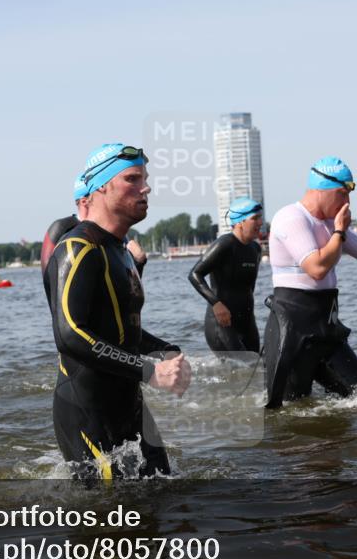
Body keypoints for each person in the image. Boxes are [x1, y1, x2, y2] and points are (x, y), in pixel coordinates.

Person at [46, 143, 191, 479]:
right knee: (109, 523)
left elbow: (119, 330)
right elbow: (70, 335)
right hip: (87, 409)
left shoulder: (120, 249)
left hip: (130, 404)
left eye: (145, 178)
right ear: (101, 188)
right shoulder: (77, 248)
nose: (146, 187)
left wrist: (167, 351)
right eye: (132, 179)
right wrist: (151, 372)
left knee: (161, 500)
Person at [263, 156, 357, 408]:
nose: (347, 202)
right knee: (289, 414)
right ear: (321, 190)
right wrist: (339, 232)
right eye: (342, 194)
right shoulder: (292, 217)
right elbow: (316, 268)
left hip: (326, 331)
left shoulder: (331, 225)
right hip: (293, 336)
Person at [41, 176, 147, 302]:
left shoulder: (116, 233)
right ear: (84, 201)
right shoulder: (62, 228)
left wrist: (139, 262)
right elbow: (51, 286)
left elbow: (129, 291)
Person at [187, 196, 263, 353]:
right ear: (240, 222)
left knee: (256, 371)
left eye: (260, 218)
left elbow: (249, 287)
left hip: (247, 322)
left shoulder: (255, 249)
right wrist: (216, 303)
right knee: (240, 368)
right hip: (222, 323)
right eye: (255, 218)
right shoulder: (225, 244)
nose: (260, 223)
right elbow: (195, 274)